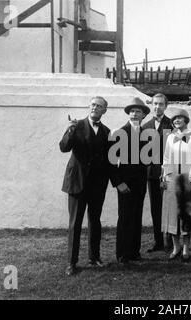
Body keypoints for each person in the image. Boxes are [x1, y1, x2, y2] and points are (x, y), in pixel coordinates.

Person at [59, 96, 112, 276]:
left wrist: (112, 181)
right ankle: (71, 263)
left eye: (99, 106)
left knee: (95, 222)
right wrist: (70, 130)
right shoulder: (77, 125)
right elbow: (64, 147)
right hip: (77, 183)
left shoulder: (106, 131)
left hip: (97, 185)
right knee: (75, 223)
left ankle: (94, 258)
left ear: (104, 110)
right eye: (93, 105)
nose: (95, 108)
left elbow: (108, 160)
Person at [110, 97, 150, 264]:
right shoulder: (120, 133)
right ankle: (122, 253)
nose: (134, 114)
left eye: (138, 111)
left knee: (136, 216)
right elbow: (111, 162)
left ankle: (134, 251)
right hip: (124, 183)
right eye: (132, 111)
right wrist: (118, 182)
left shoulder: (147, 135)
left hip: (140, 183)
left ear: (143, 115)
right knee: (125, 216)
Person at [161, 108, 191, 262]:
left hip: (187, 179)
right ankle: (175, 246)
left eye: (180, 118)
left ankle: (186, 248)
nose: (177, 121)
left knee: (186, 213)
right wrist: (165, 176)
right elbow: (166, 158)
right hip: (172, 179)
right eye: (174, 119)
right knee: (172, 213)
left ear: (186, 120)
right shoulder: (170, 137)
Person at [142, 93, 173, 253]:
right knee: (155, 208)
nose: (157, 107)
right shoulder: (145, 126)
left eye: (161, 104)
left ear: (165, 106)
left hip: (168, 173)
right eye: (155, 104)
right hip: (151, 174)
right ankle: (158, 241)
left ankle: (171, 241)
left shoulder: (172, 124)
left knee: (169, 207)